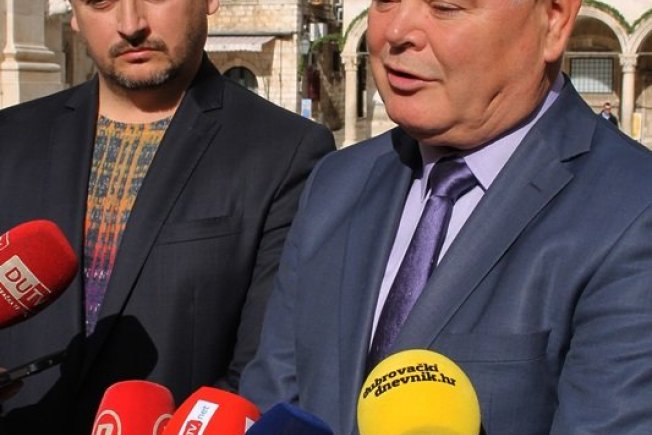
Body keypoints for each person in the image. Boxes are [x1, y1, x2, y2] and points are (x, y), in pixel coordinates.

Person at [240, 0, 652, 433]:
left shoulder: (633, 212)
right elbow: (272, 399)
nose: (397, 31)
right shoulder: (335, 183)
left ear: (553, 19)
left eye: (444, 6)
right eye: (385, 0)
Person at [0, 0, 334, 433]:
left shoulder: (285, 152)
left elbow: (263, 374)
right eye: (100, 1)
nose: (131, 25)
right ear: (74, 14)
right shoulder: (10, 140)